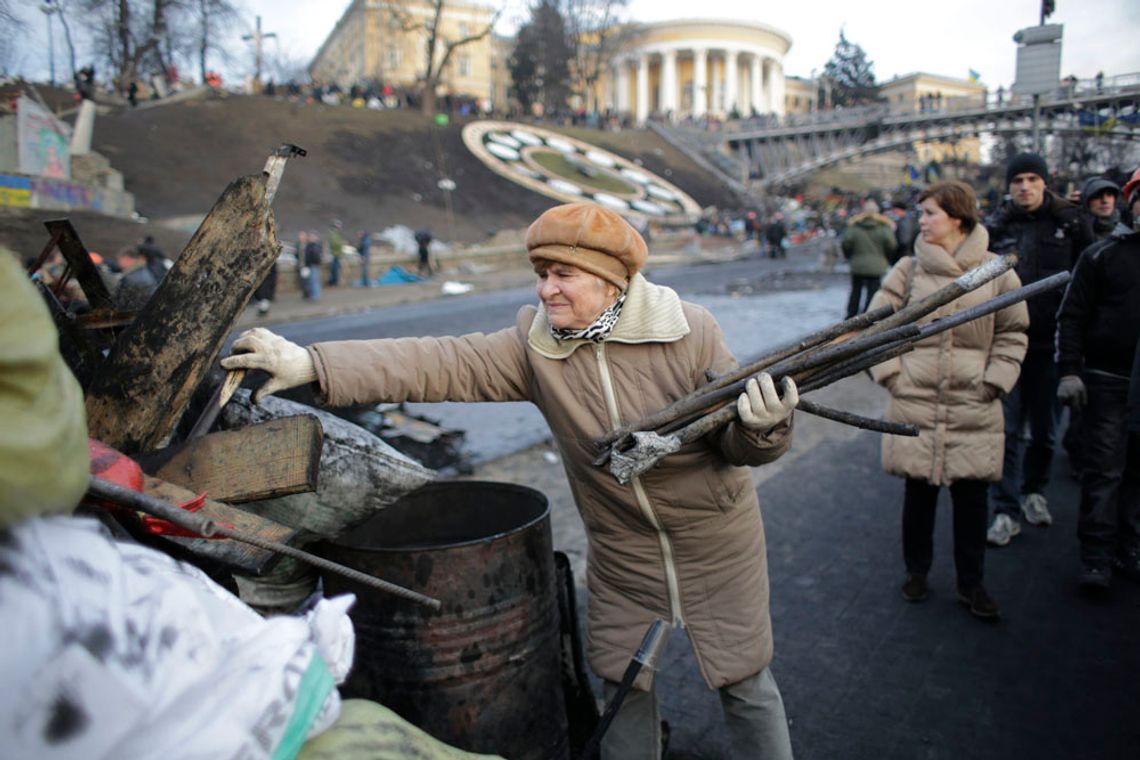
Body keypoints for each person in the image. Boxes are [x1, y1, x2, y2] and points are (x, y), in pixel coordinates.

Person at [222, 202, 802, 760]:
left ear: (609, 282)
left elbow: (735, 442)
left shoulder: (689, 331)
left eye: (564, 274)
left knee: (744, 679)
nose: (546, 288)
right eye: (542, 273)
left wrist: (764, 428)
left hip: (716, 542)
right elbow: (437, 362)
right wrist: (313, 364)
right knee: (624, 686)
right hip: (624, 550)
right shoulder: (536, 347)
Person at [868, 181, 1028, 620]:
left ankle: (971, 583)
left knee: (972, 500)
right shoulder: (908, 271)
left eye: (929, 213)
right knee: (917, 494)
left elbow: (1014, 332)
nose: (920, 222)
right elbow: (875, 329)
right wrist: (892, 376)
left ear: (957, 218)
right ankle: (916, 572)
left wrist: (995, 382)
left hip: (974, 401)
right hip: (915, 398)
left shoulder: (997, 271)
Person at [984, 153, 1092, 546]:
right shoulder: (995, 227)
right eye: (1017, 180)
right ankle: (1005, 509)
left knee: (1046, 430)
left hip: (1052, 346)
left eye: (1032, 178)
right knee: (1007, 431)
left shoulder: (1072, 224)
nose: (1024, 186)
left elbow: (1088, 283)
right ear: (1009, 186)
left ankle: (1034, 492)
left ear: (1045, 182)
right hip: (1004, 346)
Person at [1055, 168, 1140, 589]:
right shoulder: (1102, 255)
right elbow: (1072, 315)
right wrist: (1069, 370)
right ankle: (1097, 556)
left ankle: (1131, 547)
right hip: (1108, 378)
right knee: (1104, 470)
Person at [841, 199, 897, 318]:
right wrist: (885, 257)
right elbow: (891, 244)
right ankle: (869, 315)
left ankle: (851, 315)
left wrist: (849, 256)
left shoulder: (855, 226)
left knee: (855, 291)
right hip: (877, 265)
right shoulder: (884, 226)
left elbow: (846, 242)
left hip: (857, 265)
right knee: (873, 292)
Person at [1077, 176, 1122, 243]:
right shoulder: (1075, 230)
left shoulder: (1129, 227)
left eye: (1109, 195)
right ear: (1086, 201)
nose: (1105, 201)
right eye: (1097, 196)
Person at [327, 220, 345, 286]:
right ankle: (333, 281)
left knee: (336, 268)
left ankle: (335, 281)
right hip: (334, 253)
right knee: (334, 269)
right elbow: (334, 243)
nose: (340, 227)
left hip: (337, 253)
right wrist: (341, 244)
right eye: (339, 225)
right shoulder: (333, 234)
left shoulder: (338, 234)